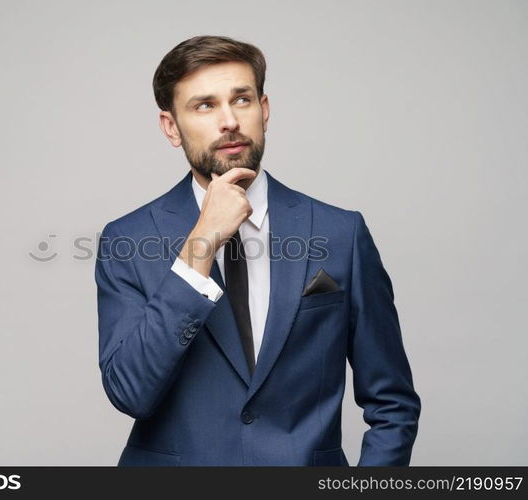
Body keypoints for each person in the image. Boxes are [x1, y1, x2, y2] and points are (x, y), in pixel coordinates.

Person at [94, 35, 421, 466]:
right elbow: (129, 391)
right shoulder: (126, 240)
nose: (229, 121)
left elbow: (393, 402)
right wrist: (201, 244)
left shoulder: (342, 232)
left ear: (264, 110)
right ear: (171, 127)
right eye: (204, 105)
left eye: (241, 100)